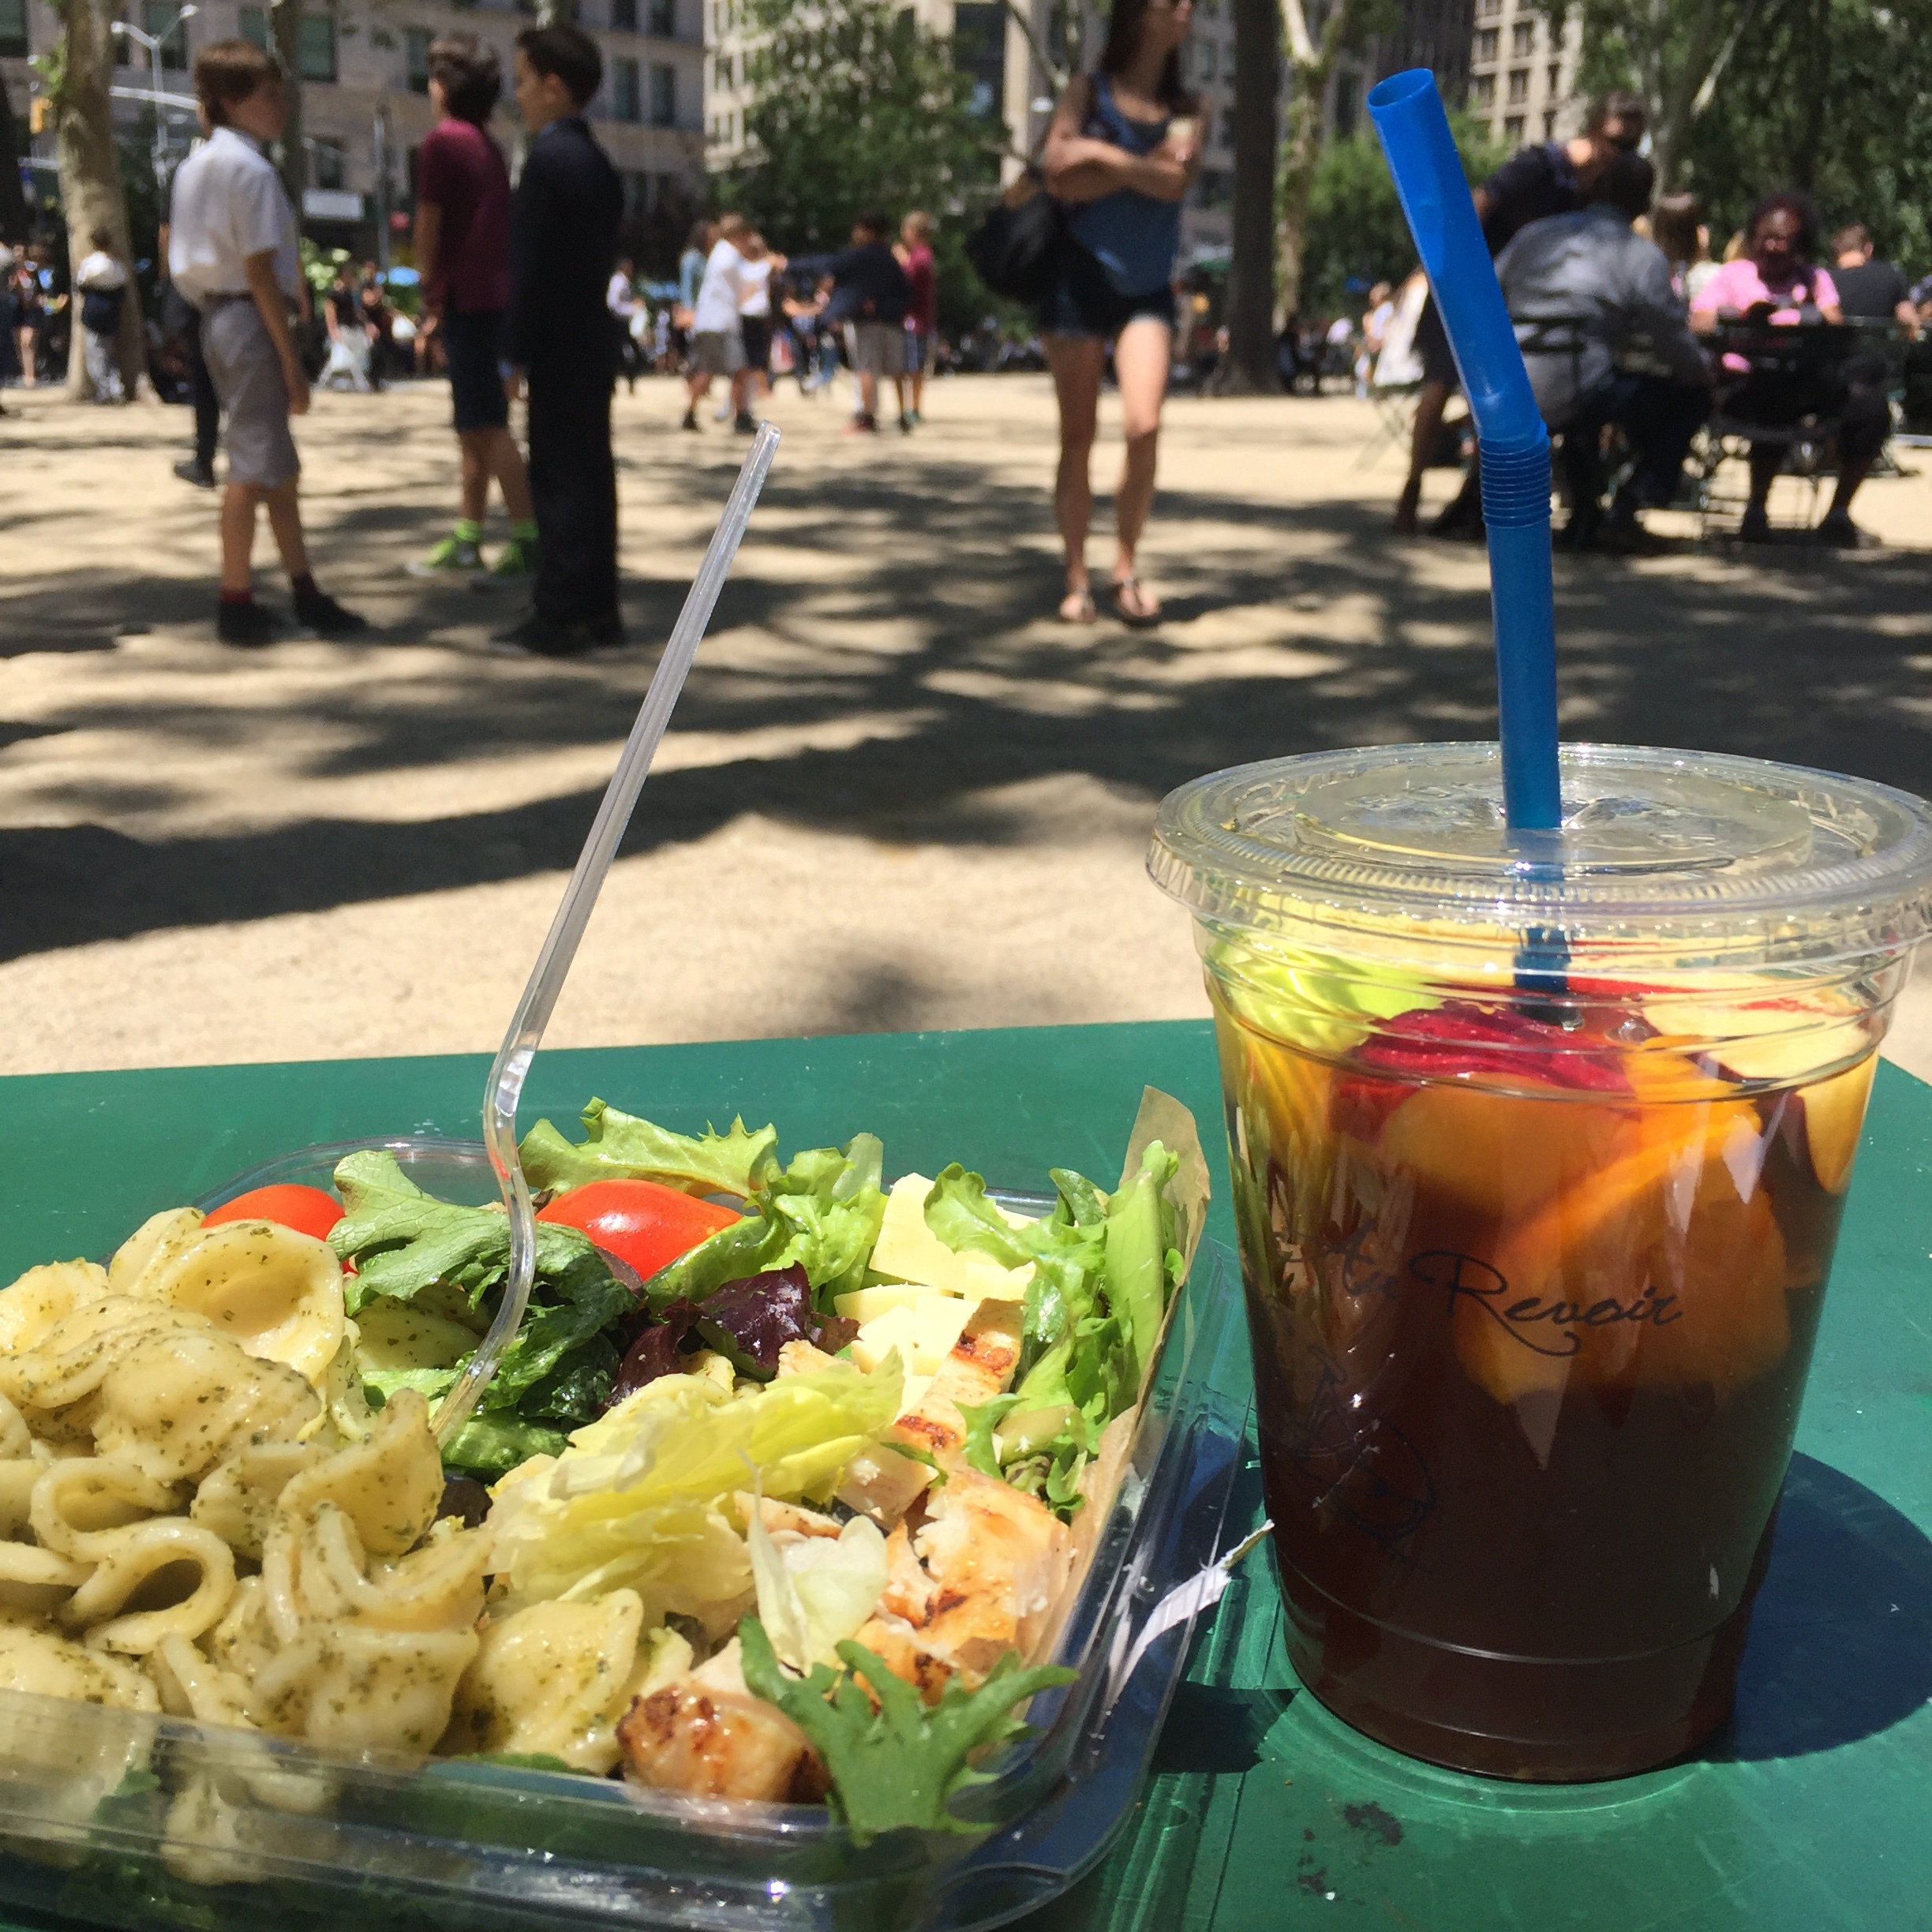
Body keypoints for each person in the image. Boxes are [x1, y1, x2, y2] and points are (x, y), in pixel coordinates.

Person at [169, 39, 365, 645]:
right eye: (269, 95)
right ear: (232, 100)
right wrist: (291, 359)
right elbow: (259, 268)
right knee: (253, 470)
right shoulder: (249, 169)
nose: (281, 105)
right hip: (253, 318)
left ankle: (303, 589)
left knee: (273, 466)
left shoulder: (195, 164)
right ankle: (236, 599)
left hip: (218, 315)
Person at [1395, 88, 1646, 536]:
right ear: (1592, 129)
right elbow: (1479, 203)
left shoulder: (1592, 192)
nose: (1621, 153)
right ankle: (1410, 491)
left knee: (1503, 398)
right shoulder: (1540, 166)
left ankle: (1485, 500)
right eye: (1615, 140)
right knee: (1439, 383)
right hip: (1467, 283)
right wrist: (1445, 269)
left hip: (1517, 305)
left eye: (1631, 145)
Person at [1038, 0, 1200, 623]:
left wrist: (1098, 159)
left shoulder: (1188, 110)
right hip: (1076, 278)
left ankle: (1124, 569)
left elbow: (1177, 184)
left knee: (1143, 425)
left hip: (1148, 289)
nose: (1185, 9)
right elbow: (1057, 172)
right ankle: (1077, 578)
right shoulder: (1086, 92)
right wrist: (1134, 165)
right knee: (1076, 437)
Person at [1496, 153, 1712, 549]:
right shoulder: (1639, 255)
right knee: (1686, 399)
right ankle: (1628, 505)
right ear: (1642, 205)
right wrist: (1702, 370)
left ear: (1595, 190)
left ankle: (1584, 504)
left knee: (1601, 393)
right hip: (1580, 388)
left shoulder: (1535, 236)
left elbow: (1490, 292)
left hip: (1505, 383)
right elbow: (1668, 334)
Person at [498, 22, 623, 653]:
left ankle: (561, 613)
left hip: (555, 343)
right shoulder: (598, 161)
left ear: (552, 85)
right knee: (592, 476)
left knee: (558, 479)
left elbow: (531, 267)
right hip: (591, 337)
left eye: (522, 80)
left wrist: (514, 351)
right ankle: (599, 608)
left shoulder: (547, 160)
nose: (516, 94)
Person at [410, 31, 539, 584]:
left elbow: (429, 222)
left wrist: (427, 286)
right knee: (473, 426)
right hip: (495, 297)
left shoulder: (442, 143)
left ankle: (527, 537)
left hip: (468, 300)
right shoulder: (489, 145)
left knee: (487, 424)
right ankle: (468, 537)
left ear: (442, 87)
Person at [1690, 191, 1887, 546]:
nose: (1774, 246)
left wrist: (1797, 314)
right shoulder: (1734, 274)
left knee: (1870, 406)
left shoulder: (1814, 279)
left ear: (1801, 243)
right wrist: (1739, 316)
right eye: (1766, 237)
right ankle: (1755, 510)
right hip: (1746, 385)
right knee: (1771, 389)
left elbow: (1834, 319)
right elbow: (1699, 320)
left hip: (1805, 383)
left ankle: (1838, 514)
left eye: (1784, 239)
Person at [790, 212, 912, 434]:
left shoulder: (860, 256)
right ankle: (904, 414)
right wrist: (889, 308)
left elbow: (829, 264)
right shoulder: (891, 258)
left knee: (866, 368)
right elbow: (904, 292)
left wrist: (789, 264)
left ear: (866, 230)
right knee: (897, 369)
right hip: (892, 322)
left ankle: (867, 416)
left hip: (866, 323)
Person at [159, 124, 223, 486]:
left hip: (195, 288)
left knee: (204, 378)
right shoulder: (249, 172)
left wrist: (167, 278)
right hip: (235, 288)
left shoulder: (182, 177)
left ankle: (205, 459)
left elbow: (166, 231)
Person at [683, 212, 754, 432]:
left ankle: (689, 414)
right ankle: (741, 418)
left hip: (710, 323)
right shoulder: (730, 256)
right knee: (741, 370)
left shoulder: (719, 253)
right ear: (738, 236)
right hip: (721, 324)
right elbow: (749, 282)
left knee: (706, 371)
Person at [1829, 223, 1919, 334]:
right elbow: (1909, 321)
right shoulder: (1892, 275)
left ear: (1837, 252)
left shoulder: (1823, 281)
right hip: (1882, 349)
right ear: (1869, 248)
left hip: (1834, 349)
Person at [74, 227, 130, 403]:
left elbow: (81, 285)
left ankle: (104, 392)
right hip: (112, 312)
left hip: (93, 311)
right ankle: (117, 388)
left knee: (95, 353)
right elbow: (123, 288)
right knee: (109, 352)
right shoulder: (117, 265)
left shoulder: (90, 264)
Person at [898, 210, 938, 423]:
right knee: (915, 366)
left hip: (916, 321)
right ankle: (913, 407)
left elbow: (908, 282)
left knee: (914, 367)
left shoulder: (919, 257)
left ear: (913, 231)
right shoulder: (923, 255)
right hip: (922, 319)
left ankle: (912, 409)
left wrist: (902, 261)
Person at [736, 234, 773, 421]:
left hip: (745, 315)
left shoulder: (740, 267)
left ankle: (756, 390)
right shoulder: (763, 266)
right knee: (757, 356)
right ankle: (762, 387)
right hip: (755, 316)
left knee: (748, 358)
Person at [319, 264, 371, 390]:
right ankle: (360, 384)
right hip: (342, 329)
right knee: (345, 357)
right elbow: (330, 312)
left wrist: (367, 325)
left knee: (357, 356)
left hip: (353, 327)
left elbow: (357, 311)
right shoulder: (333, 293)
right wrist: (333, 330)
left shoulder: (351, 293)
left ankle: (325, 382)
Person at [607, 253, 643, 391]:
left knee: (623, 353)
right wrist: (633, 308)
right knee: (624, 354)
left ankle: (625, 383)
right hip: (619, 323)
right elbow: (614, 304)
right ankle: (622, 383)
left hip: (623, 323)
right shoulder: (619, 282)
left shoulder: (622, 281)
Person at [1356, 280, 1394, 396]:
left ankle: (1371, 392)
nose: (1371, 297)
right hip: (1375, 343)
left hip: (1381, 344)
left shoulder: (1387, 309)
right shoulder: (1381, 310)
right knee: (1362, 366)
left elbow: (1385, 330)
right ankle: (1367, 392)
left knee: (1363, 367)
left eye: (1374, 295)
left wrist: (1368, 327)